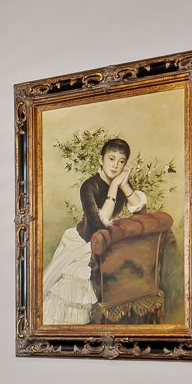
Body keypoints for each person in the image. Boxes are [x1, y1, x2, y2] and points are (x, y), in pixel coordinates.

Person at [41, 136, 146, 324]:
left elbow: (141, 210)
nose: (115, 166)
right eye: (111, 159)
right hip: (83, 240)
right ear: (101, 160)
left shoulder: (122, 183)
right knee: (73, 279)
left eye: (121, 162)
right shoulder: (88, 186)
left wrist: (123, 184)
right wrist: (114, 186)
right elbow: (100, 223)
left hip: (104, 238)